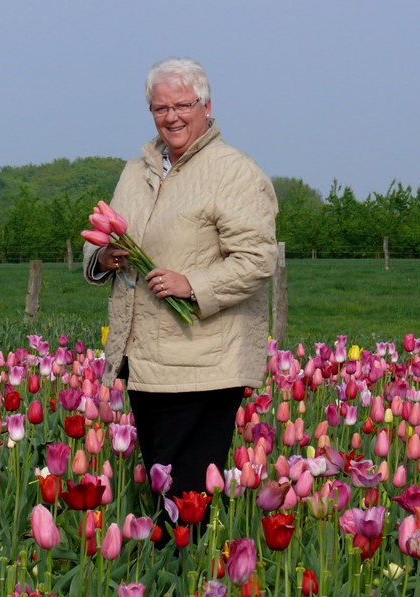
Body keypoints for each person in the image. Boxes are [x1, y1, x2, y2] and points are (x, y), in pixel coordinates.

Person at [83, 56, 278, 505]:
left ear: (206, 106)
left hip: (201, 363)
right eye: (160, 108)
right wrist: (109, 257)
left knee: (187, 496)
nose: (171, 117)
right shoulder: (137, 170)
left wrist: (193, 284)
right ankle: (170, 571)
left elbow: (256, 258)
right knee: (162, 490)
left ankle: (193, 572)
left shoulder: (233, 171)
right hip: (145, 361)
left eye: (182, 105)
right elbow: (103, 240)